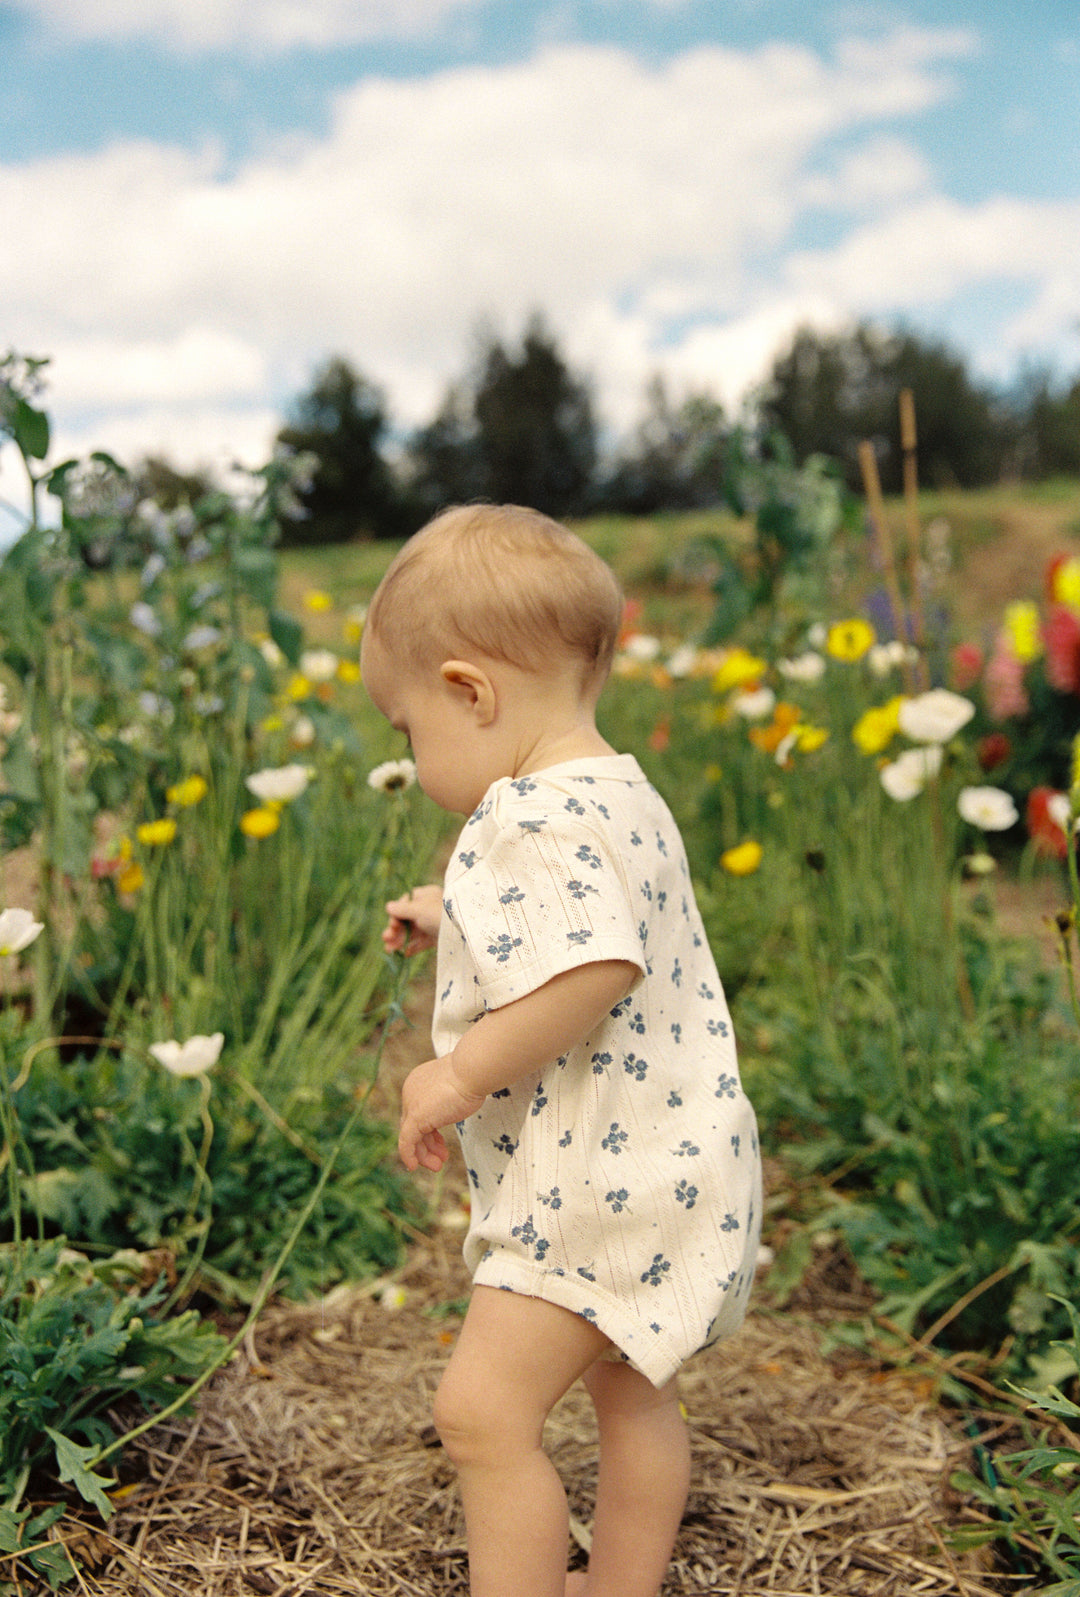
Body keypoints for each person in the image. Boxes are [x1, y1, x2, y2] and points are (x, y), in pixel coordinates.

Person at [361, 503, 761, 1597]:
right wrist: (460, 914)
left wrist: (457, 1071)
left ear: (468, 692)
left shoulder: (530, 817)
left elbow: (591, 970)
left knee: (481, 1416)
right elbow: (594, 923)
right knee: (636, 1397)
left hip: (597, 1181)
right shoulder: (622, 792)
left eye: (409, 730)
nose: (414, 753)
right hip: (680, 1167)